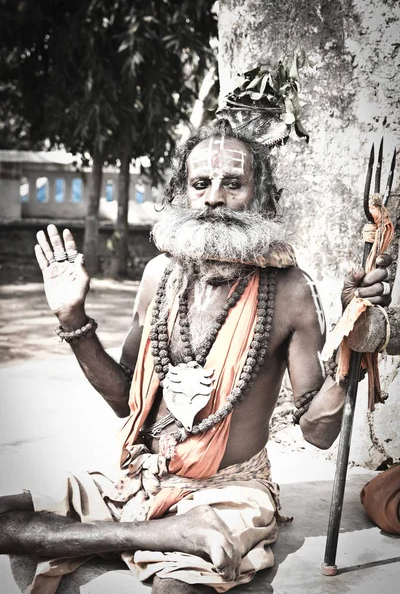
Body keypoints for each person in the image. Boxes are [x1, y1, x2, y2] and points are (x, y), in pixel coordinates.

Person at [0, 119, 395, 594]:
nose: (213, 198)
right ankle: (162, 534)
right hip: (142, 480)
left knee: (179, 589)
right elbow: (130, 401)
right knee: (6, 519)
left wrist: (350, 351)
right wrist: (72, 319)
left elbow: (318, 433)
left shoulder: (290, 291)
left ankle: (119, 538)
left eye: (233, 184)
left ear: (261, 198)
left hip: (231, 493)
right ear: (182, 194)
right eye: (201, 184)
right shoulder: (158, 276)